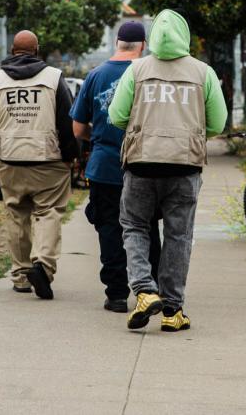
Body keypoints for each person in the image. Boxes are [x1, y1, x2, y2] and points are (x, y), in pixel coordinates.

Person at [108, 9, 227, 332]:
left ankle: (145, 291)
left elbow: (117, 116)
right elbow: (217, 123)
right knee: (179, 235)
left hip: (141, 162)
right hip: (185, 164)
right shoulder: (203, 73)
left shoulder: (137, 69)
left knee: (134, 225)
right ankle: (173, 311)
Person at [0, 30, 79, 300]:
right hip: (48, 160)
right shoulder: (54, 78)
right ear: (37, 50)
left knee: (17, 214)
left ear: (12, 49)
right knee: (48, 212)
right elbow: (66, 122)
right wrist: (70, 155)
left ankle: (21, 275)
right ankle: (42, 266)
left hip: (10, 158)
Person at [70, 21, 162, 313]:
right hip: (145, 163)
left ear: (117, 43)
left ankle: (117, 294)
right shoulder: (151, 74)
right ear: (142, 46)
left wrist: (99, 139)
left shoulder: (95, 75)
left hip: (105, 165)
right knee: (146, 227)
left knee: (109, 229)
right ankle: (150, 288)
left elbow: (77, 128)